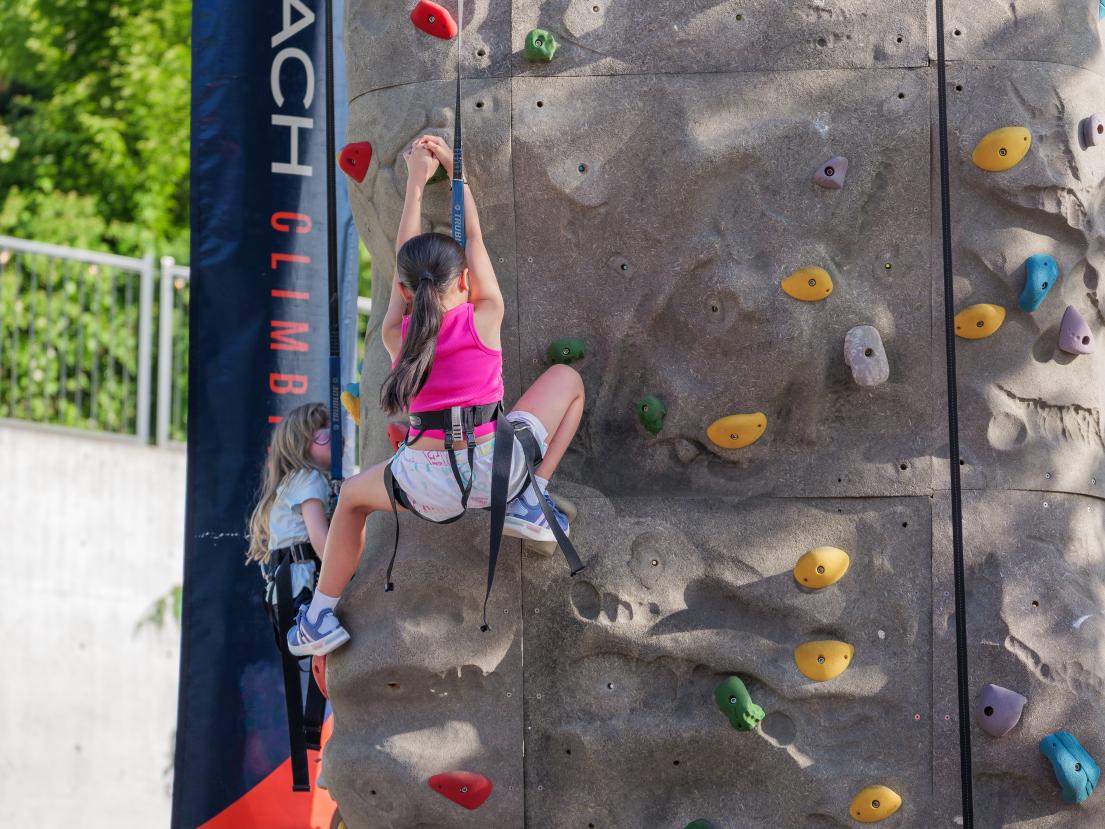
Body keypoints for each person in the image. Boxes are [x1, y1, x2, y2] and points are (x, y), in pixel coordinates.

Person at [286, 134, 585, 657]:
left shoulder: (397, 336)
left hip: (424, 485)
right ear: (466, 282)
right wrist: (456, 171)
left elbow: (399, 263)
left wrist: (415, 182)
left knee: (353, 498)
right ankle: (532, 499)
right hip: (497, 471)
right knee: (568, 382)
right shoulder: (485, 316)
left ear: (404, 292)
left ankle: (319, 615)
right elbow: (473, 235)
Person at [247, 401, 347, 649]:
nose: (332, 431)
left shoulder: (295, 482)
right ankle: (316, 626)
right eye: (321, 427)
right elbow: (322, 543)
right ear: (301, 443)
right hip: (302, 594)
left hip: (285, 595)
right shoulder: (309, 478)